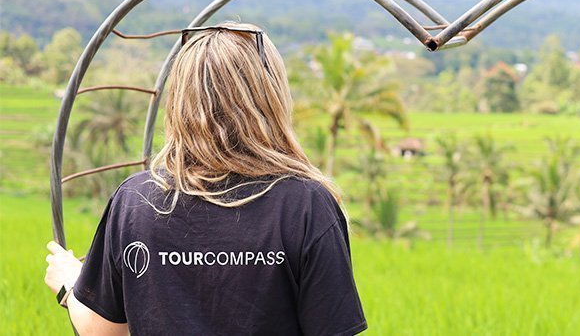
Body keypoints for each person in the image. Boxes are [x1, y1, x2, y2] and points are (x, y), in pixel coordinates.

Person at [44, 22, 367, 335]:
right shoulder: (306, 205)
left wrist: (70, 285)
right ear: (270, 97)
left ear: (180, 98)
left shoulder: (136, 200)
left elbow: (104, 331)